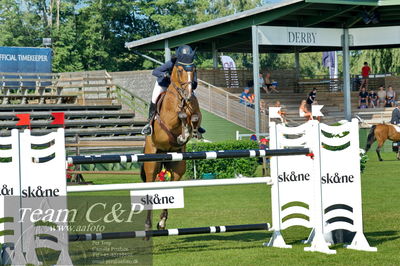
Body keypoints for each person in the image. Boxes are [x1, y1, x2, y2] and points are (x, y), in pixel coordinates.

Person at [141, 45, 205, 135]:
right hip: (164, 84)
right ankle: (149, 124)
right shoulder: (172, 63)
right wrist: (165, 75)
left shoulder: (191, 66)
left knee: (194, 98)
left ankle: (197, 125)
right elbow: (155, 71)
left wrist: (191, 84)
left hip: (181, 87)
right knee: (154, 99)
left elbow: (194, 82)